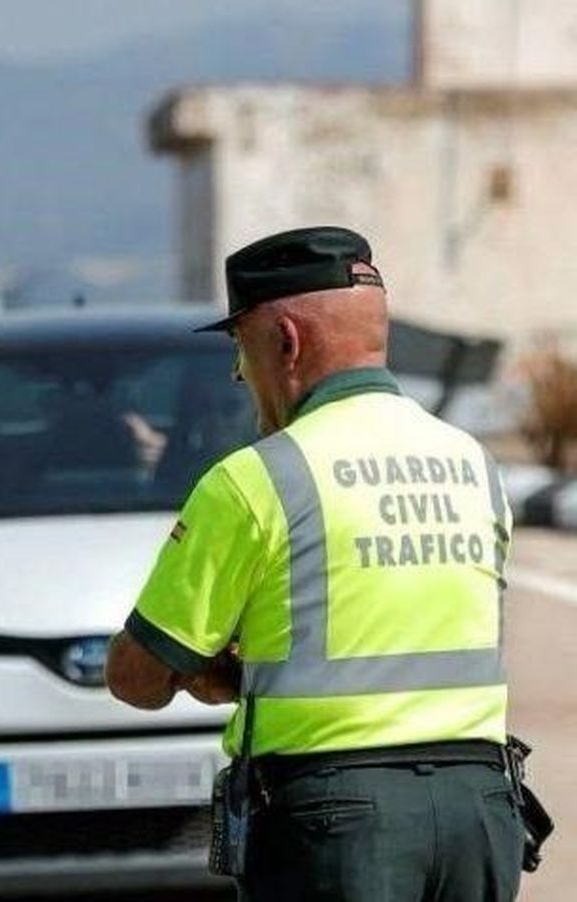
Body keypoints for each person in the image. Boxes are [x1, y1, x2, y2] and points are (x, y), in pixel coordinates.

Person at [103, 227, 534, 901]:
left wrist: (209, 673)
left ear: (285, 341)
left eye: (239, 350)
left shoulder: (257, 480)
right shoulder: (472, 464)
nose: (241, 375)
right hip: (478, 811)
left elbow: (138, 677)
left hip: (337, 819)